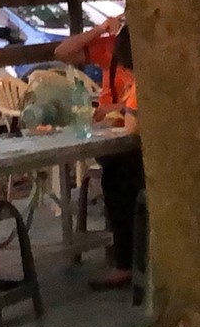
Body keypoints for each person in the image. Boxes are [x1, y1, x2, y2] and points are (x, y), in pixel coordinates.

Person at [55, 15, 142, 292]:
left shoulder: (145, 57)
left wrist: (119, 108)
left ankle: (127, 260)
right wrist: (101, 29)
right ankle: (126, 255)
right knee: (116, 174)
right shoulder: (112, 46)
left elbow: (133, 121)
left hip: (133, 137)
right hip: (113, 133)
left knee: (121, 178)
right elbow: (62, 52)